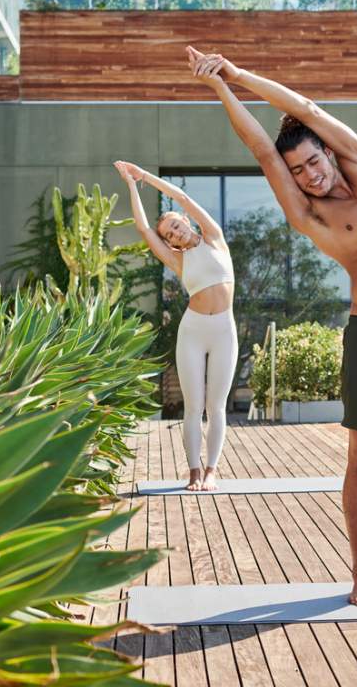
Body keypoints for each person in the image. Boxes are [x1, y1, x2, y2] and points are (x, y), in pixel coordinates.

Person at [186, 46, 357, 607]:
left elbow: (303, 105)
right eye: (299, 171)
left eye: (313, 162)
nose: (309, 175)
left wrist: (239, 70)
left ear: (328, 151)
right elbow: (262, 148)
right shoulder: (312, 214)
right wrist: (221, 88)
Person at [114, 160, 238, 492]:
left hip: (224, 330)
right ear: (171, 242)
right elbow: (142, 228)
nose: (175, 232)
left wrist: (143, 177)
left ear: (185, 222)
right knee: (194, 405)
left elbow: (180, 197)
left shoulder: (214, 239)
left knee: (216, 406)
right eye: (169, 234)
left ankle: (212, 470)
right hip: (193, 332)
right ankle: (194, 471)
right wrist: (129, 185)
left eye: (175, 225)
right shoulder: (178, 260)